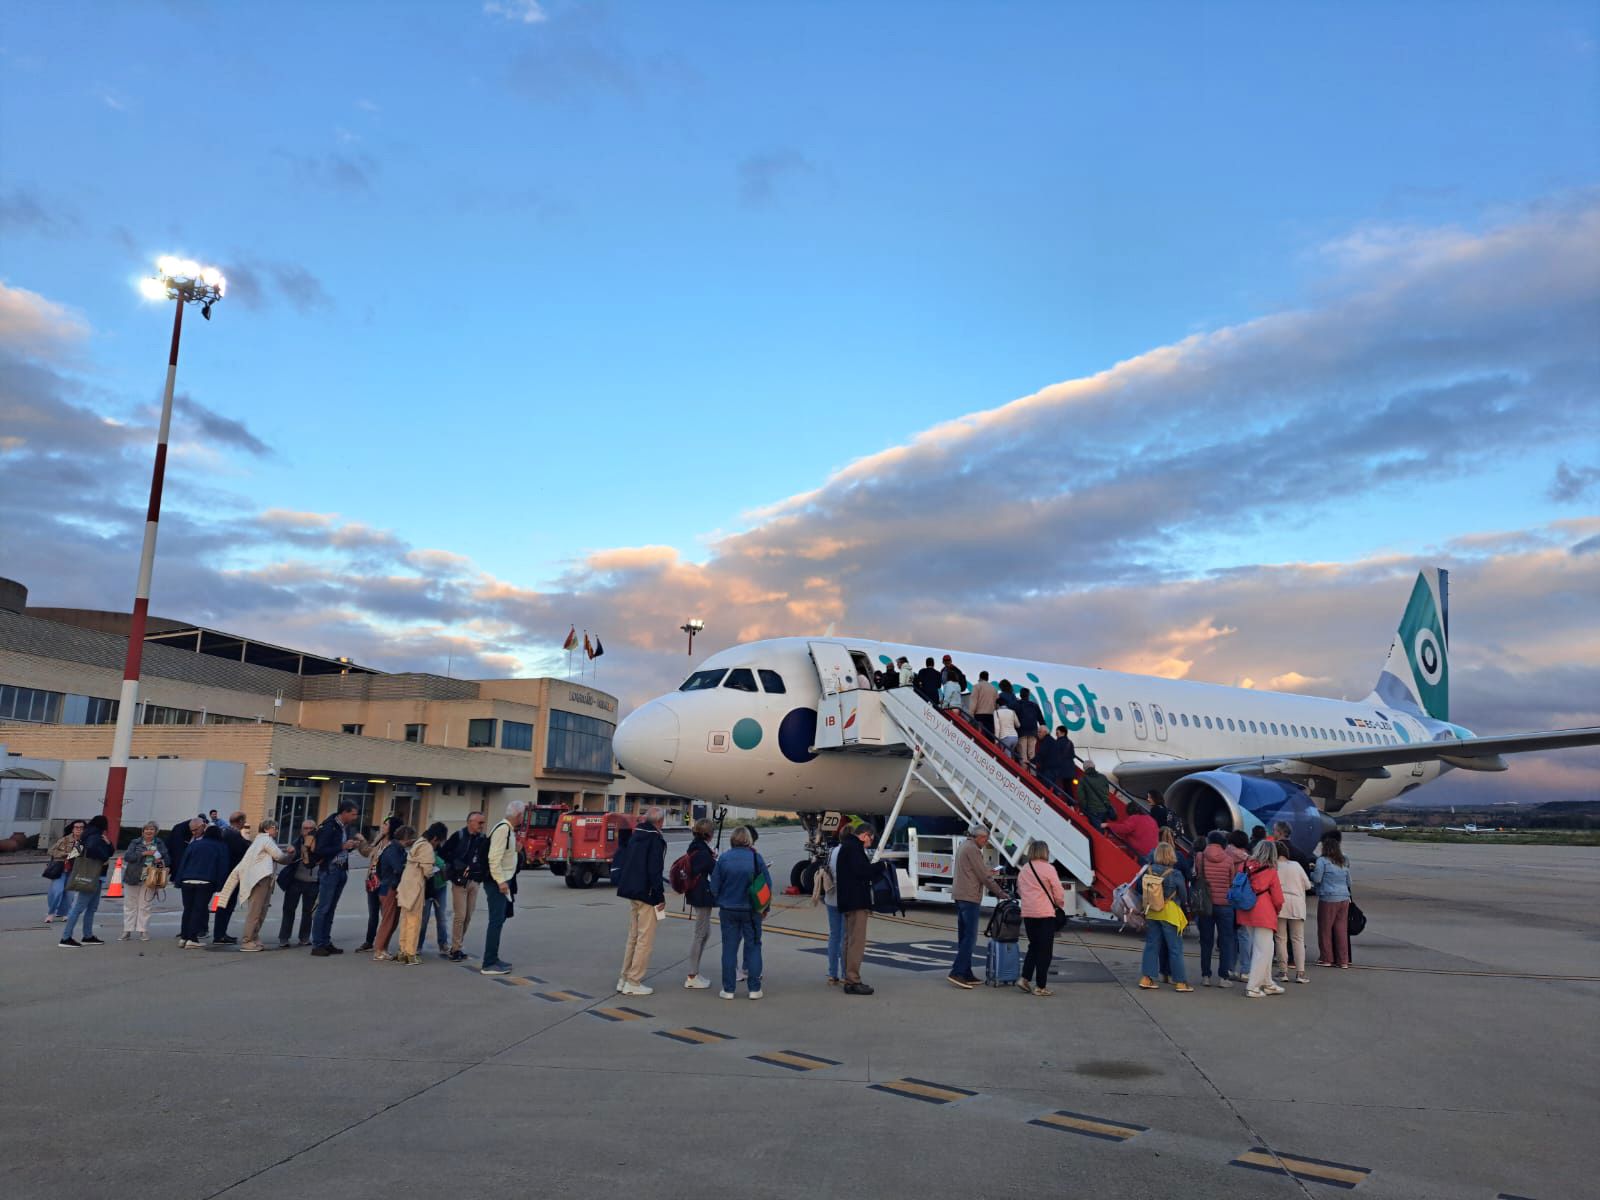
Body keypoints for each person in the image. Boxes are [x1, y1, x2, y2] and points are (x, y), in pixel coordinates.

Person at [707, 825, 767, 999]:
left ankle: (728, 989)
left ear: (732, 840)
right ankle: (754, 989)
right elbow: (766, 885)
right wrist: (764, 908)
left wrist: (722, 901)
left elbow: (714, 886)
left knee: (729, 949)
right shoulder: (756, 858)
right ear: (748, 840)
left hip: (729, 909)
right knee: (754, 946)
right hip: (751, 910)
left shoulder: (724, 859)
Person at [614, 806, 668, 996]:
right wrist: (660, 896)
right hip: (646, 894)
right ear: (660, 822)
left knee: (633, 937)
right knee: (645, 940)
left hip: (631, 891)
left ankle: (624, 977)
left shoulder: (636, 835)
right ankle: (634, 981)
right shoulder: (655, 840)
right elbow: (655, 870)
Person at [217, 819, 294, 952]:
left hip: (259, 879)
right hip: (260, 879)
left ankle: (254, 938)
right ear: (267, 829)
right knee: (256, 912)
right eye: (275, 827)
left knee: (260, 911)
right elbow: (280, 857)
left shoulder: (258, 841)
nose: (277, 830)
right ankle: (247, 940)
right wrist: (291, 854)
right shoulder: (266, 841)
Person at [948, 824, 1007, 989]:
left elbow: (975, 871)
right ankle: (957, 972)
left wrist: (988, 871)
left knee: (964, 936)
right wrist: (999, 892)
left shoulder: (964, 846)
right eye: (985, 839)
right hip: (969, 897)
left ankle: (966, 972)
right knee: (970, 937)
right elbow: (982, 877)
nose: (986, 842)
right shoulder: (973, 849)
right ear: (979, 837)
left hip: (960, 895)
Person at [310, 799, 368, 957]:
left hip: (341, 869)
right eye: (353, 814)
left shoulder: (344, 827)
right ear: (344, 812)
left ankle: (326, 942)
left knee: (331, 908)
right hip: (330, 870)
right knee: (324, 908)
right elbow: (321, 849)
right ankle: (318, 944)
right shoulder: (330, 826)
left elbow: (340, 848)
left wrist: (350, 847)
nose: (355, 817)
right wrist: (342, 847)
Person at [1137, 843, 1193, 991]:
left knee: (1151, 946)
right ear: (1171, 856)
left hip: (1152, 911)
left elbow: (1139, 888)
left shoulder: (1147, 870)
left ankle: (1147, 978)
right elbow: (1183, 894)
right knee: (1175, 948)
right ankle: (1180, 982)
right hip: (1169, 912)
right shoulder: (1175, 874)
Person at [1016, 840, 1065, 996]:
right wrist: (1059, 904)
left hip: (1028, 913)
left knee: (1034, 946)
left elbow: (1019, 890)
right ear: (1045, 852)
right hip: (1044, 913)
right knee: (1045, 951)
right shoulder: (1049, 869)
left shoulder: (1024, 869)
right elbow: (1058, 890)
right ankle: (1040, 986)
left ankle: (1024, 978)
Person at [834, 823, 877, 996]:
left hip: (847, 901)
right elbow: (862, 871)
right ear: (865, 835)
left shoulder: (847, 846)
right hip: (856, 901)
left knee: (848, 940)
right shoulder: (854, 848)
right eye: (871, 839)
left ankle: (848, 978)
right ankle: (853, 979)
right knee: (856, 942)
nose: (870, 843)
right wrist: (881, 867)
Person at [1237, 840, 1285, 997]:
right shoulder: (1271, 871)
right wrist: (1276, 910)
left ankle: (1267, 982)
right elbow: (1278, 898)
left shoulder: (1244, 865)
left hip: (1246, 909)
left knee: (1264, 948)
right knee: (1263, 951)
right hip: (1264, 912)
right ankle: (1253, 986)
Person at [479, 799, 521, 976]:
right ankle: (489, 962)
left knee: (500, 919)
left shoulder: (508, 830)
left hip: (504, 880)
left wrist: (516, 850)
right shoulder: (503, 830)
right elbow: (494, 858)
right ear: (518, 815)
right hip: (498, 882)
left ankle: (493, 958)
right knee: (496, 921)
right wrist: (501, 881)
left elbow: (504, 856)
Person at [1196, 830, 1243, 987]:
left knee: (1206, 941)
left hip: (1206, 904)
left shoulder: (1200, 857)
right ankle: (1224, 977)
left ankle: (1205, 976)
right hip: (1225, 905)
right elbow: (1231, 881)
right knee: (1226, 941)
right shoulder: (1229, 860)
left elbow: (1198, 875)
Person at [59, 814, 114, 947]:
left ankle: (87, 936)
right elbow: (99, 851)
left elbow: (77, 853)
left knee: (90, 906)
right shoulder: (96, 837)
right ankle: (66, 937)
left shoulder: (85, 836)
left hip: (90, 874)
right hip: (93, 875)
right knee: (81, 907)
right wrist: (105, 853)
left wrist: (108, 844)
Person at [395, 823, 445, 965]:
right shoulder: (427, 847)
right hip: (415, 887)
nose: (437, 844)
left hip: (405, 885)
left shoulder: (418, 842)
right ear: (435, 838)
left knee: (405, 920)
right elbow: (428, 871)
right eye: (438, 841)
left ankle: (402, 951)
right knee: (414, 921)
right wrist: (435, 870)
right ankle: (411, 954)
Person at [442, 811, 488, 962]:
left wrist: (480, 876)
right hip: (459, 882)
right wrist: (457, 866)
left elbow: (486, 858)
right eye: (480, 823)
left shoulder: (482, 838)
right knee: (460, 916)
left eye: (483, 823)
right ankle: (455, 949)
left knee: (468, 916)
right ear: (470, 822)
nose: (482, 825)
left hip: (474, 882)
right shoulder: (459, 836)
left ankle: (458, 946)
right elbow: (444, 852)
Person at [176, 825, 229, 948]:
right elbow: (222, 866)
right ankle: (192, 938)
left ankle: (184, 937)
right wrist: (220, 885)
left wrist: (179, 880)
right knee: (198, 909)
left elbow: (184, 861)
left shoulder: (194, 844)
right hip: (206, 881)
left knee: (188, 909)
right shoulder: (221, 846)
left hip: (187, 879)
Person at [358, 816, 403, 952]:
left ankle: (382, 944)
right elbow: (368, 852)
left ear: (392, 828)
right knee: (373, 914)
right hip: (372, 881)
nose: (382, 826)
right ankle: (369, 941)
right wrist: (361, 842)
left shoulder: (394, 845)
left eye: (386, 824)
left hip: (385, 883)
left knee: (387, 915)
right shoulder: (379, 839)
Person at [683, 818, 719, 989]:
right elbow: (716, 870)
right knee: (700, 933)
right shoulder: (703, 853)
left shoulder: (694, 847)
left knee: (705, 932)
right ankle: (692, 975)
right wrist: (715, 858)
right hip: (702, 894)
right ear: (709, 834)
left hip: (695, 893)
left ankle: (694, 972)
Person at [120, 821, 170, 942]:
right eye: (146, 829)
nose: (149, 831)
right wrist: (143, 854)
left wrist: (160, 859)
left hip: (151, 877)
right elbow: (128, 857)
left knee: (145, 905)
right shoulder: (135, 842)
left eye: (152, 829)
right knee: (130, 904)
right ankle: (127, 930)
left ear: (156, 832)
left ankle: (143, 930)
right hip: (133, 876)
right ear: (142, 831)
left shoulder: (159, 843)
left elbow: (167, 858)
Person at [370, 825, 413, 961]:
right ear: (405, 838)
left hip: (391, 887)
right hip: (388, 888)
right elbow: (399, 868)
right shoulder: (393, 850)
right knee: (388, 920)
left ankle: (383, 948)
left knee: (393, 921)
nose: (412, 841)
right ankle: (378, 949)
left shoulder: (396, 849)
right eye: (411, 838)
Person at [1312, 831, 1353, 968]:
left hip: (1328, 897)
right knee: (1341, 929)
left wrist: (1312, 872)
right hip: (1344, 897)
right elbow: (1349, 881)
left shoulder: (1322, 861)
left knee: (1325, 929)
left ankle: (1326, 958)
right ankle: (1343, 960)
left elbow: (1317, 879)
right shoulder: (1344, 860)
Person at [277, 819, 320, 948]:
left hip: (313, 882)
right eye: (305, 828)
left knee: (308, 912)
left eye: (310, 828)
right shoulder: (297, 843)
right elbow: (289, 860)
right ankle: (284, 937)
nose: (308, 831)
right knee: (289, 910)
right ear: (301, 830)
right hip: (296, 881)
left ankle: (304, 937)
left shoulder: (319, 843)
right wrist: (290, 854)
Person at [1275, 842, 1313, 985]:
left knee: (1281, 938)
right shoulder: (1296, 865)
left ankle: (1283, 971)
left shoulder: (1274, 866)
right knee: (1298, 939)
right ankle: (1300, 973)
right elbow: (1308, 885)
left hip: (1280, 903)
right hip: (1297, 903)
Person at [211, 811, 251, 945]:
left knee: (221, 903)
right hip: (231, 875)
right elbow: (243, 851)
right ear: (240, 821)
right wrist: (247, 841)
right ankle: (220, 934)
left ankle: (220, 933)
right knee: (226, 905)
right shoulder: (234, 835)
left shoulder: (224, 832)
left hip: (223, 874)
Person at [810, 831, 843, 986]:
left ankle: (832, 973)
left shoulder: (832, 851)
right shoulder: (849, 852)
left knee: (834, 936)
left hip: (831, 898)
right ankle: (845, 973)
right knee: (845, 937)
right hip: (844, 900)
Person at [44, 819, 84, 924]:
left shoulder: (86, 841)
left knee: (69, 894)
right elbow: (51, 851)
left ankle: (65, 913)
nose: (79, 829)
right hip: (60, 869)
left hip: (75, 870)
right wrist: (64, 854)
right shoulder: (65, 840)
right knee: (57, 891)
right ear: (72, 828)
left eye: (81, 827)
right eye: (76, 827)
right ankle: (51, 913)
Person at [420, 833, 451, 958]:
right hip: (427, 887)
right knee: (424, 918)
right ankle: (418, 945)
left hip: (440, 886)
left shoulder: (441, 848)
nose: (438, 843)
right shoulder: (424, 847)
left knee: (442, 916)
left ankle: (443, 944)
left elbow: (445, 862)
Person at [1078, 760, 1113, 831]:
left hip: (1093, 810)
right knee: (1102, 828)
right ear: (1094, 767)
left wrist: (1085, 808)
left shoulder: (1083, 780)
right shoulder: (1103, 777)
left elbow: (1081, 797)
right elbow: (1106, 791)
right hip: (1104, 808)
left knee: (1097, 831)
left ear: (1085, 769)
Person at [1014, 687, 1045, 767]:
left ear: (1020, 695)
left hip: (1022, 732)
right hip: (1033, 732)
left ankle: (1024, 775)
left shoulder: (1017, 704)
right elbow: (1041, 720)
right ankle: (1032, 774)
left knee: (1023, 755)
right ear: (1028, 695)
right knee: (1032, 755)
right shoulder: (1035, 705)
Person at [968, 671, 999, 738]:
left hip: (979, 715)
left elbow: (974, 701)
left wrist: (971, 714)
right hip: (990, 715)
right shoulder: (994, 689)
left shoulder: (977, 686)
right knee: (989, 736)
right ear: (987, 678)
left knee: (978, 735)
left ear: (980, 677)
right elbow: (997, 704)